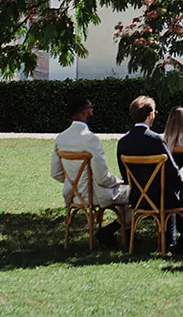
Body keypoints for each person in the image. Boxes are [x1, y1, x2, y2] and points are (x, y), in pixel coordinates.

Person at [117, 95, 183, 253]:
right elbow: (173, 172)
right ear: (151, 114)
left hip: (138, 197)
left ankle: (170, 241)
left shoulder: (123, 142)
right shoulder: (156, 140)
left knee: (170, 192)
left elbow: (125, 175)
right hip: (162, 197)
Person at [51, 95, 130, 246]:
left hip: (74, 195)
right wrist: (120, 180)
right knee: (138, 194)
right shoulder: (91, 139)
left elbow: (55, 172)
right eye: (90, 109)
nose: (92, 112)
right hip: (95, 194)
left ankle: (116, 232)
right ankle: (120, 231)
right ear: (84, 112)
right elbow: (102, 178)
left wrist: (75, 182)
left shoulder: (61, 138)